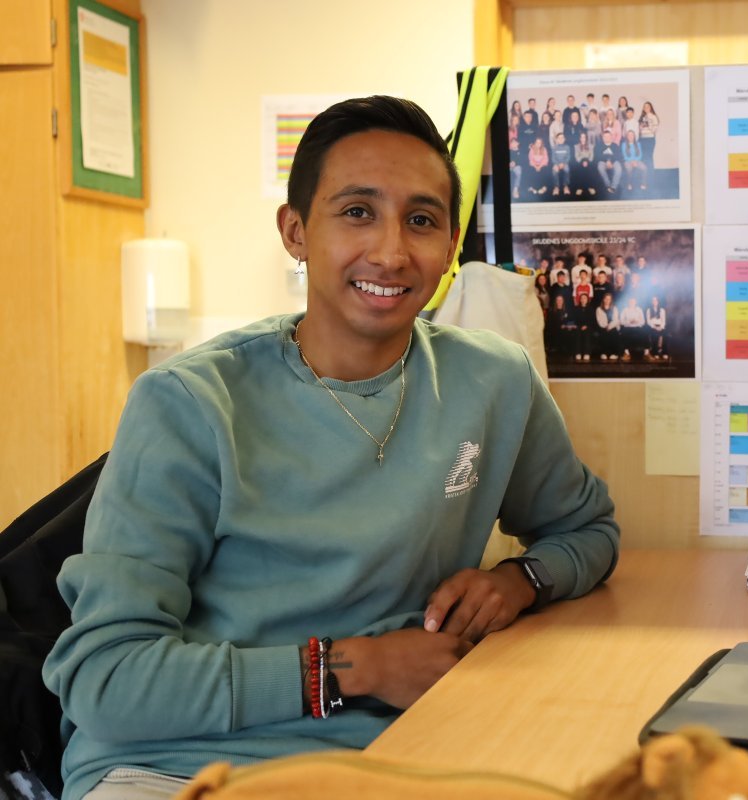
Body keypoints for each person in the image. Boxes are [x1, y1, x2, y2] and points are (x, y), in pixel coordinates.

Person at [42, 95, 619, 800]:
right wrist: (355, 669)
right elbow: (106, 677)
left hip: (398, 753)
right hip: (178, 765)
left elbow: (587, 530)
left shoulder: (492, 381)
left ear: (450, 243)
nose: (391, 252)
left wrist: (519, 581)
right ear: (296, 231)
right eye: (356, 212)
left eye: (421, 220)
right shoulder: (189, 403)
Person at [619, 295, 649, 360]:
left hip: (637, 327)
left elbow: (643, 321)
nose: (632, 303)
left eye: (633, 301)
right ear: (628, 302)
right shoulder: (625, 310)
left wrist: (636, 321)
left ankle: (646, 353)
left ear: (636, 302)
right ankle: (626, 354)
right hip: (628, 327)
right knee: (624, 333)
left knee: (645, 333)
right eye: (630, 301)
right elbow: (621, 321)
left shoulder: (639, 309)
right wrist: (629, 321)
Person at [594, 293, 622, 361]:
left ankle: (614, 353)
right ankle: (604, 353)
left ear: (611, 300)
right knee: (604, 334)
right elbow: (599, 320)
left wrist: (609, 326)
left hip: (612, 326)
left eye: (609, 299)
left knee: (613, 333)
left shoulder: (614, 308)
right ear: (603, 299)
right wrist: (606, 326)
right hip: (603, 326)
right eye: (606, 299)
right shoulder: (599, 309)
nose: (607, 300)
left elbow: (616, 320)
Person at [596, 131, 623, 195]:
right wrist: (606, 161)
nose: (606, 138)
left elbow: (618, 156)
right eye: (605, 136)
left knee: (619, 168)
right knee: (600, 167)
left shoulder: (615, 145)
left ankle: (613, 187)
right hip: (603, 162)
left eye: (608, 136)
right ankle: (608, 185)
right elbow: (597, 156)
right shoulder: (599, 146)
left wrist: (611, 162)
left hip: (613, 162)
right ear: (602, 138)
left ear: (611, 137)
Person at [638, 101, 659, 185]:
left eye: (648, 106)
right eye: (645, 107)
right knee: (643, 159)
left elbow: (654, 130)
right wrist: (640, 127)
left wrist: (647, 125)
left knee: (649, 158)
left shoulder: (653, 117)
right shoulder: (642, 117)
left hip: (650, 139)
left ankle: (651, 180)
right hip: (642, 139)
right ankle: (644, 180)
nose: (646, 108)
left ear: (650, 108)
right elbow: (640, 130)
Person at [573, 130, 597, 197]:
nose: (583, 139)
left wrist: (587, 161)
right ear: (579, 138)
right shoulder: (576, 146)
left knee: (590, 168)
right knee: (580, 169)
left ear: (586, 138)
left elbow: (591, 156)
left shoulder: (591, 146)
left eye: (584, 137)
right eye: (581, 137)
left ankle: (590, 187)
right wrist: (583, 160)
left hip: (589, 162)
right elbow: (577, 157)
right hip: (580, 162)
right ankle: (580, 187)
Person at [550, 132, 572, 196]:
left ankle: (566, 186)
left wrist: (564, 163)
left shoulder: (567, 147)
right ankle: (556, 187)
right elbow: (553, 158)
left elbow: (568, 157)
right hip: (557, 164)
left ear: (564, 139)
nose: (561, 139)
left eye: (562, 138)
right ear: (556, 139)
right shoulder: (554, 148)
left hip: (565, 163)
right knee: (554, 171)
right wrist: (557, 164)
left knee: (567, 169)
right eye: (559, 138)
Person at [646, 295, 667, 360]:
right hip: (652, 326)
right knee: (654, 335)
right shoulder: (649, 310)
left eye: (656, 300)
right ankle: (655, 353)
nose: (654, 302)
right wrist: (655, 327)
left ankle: (664, 352)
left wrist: (661, 327)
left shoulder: (662, 310)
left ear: (658, 301)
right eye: (653, 300)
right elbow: (648, 321)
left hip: (660, 326)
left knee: (665, 335)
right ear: (651, 302)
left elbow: (664, 320)